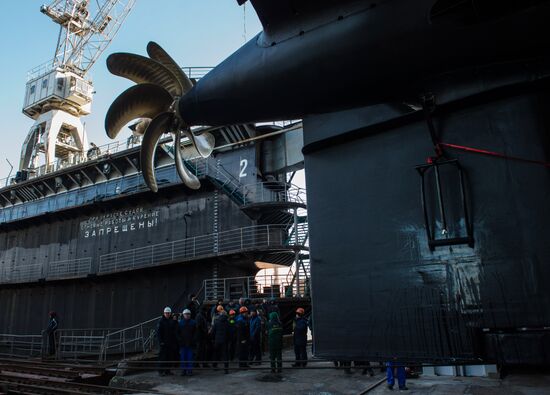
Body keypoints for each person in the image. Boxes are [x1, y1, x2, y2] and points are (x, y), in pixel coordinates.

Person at [157, 307, 179, 376]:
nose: (167, 314)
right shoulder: (161, 321)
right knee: (162, 357)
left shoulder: (171, 321)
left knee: (169, 357)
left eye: (168, 313)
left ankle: (167, 370)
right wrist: (161, 342)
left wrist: (175, 321)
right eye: (166, 313)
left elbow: (175, 329)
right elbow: (159, 333)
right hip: (164, 343)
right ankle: (160, 371)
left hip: (170, 343)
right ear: (164, 313)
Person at [177, 309, 197, 376]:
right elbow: (178, 333)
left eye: (188, 314)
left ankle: (189, 370)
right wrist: (180, 340)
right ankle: (183, 370)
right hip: (183, 344)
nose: (187, 315)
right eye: (186, 314)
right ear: (183, 315)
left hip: (190, 344)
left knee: (190, 357)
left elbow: (196, 333)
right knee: (183, 357)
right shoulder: (180, 323)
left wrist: (193, 340)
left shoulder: (193, 323)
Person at [211, 309, 230, 374]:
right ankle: (226, 369)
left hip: (217, 340)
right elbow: (230, 332)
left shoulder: (217, 322)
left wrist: (213, 339)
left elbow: (213, 331)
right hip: (225, 340)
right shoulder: (227, 322)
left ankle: (214, 366)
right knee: (225, 355)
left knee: (216, 353)